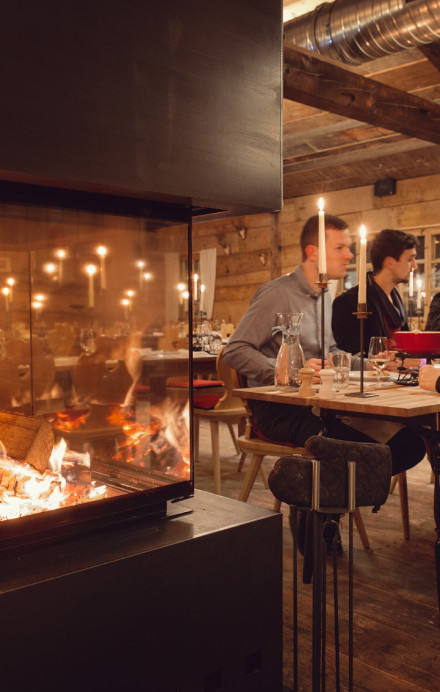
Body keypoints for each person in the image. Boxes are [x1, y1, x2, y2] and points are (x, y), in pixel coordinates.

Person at [223, 216, 426, 478]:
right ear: (313, 251)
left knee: (409, 445)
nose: (349, 255)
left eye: (348, 247)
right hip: (280, 411)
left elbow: (332, 352)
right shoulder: (277, 294)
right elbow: (235, 350)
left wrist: (371, 364)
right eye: (340, 248)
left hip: (322, 403)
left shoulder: (325, 294)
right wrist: (289, 371)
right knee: (362, 449)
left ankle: (331, 500)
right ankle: (323, 505)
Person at [332, 229, 417, 355]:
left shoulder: (395, 297)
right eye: (410, 259)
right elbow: (347, 358)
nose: (414, 266)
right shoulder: (348, 302)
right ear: (390, 263)